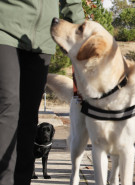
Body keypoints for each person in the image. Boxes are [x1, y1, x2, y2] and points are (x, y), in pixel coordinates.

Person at [0, 1, 85, 185]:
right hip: (4, 28)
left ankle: (21, 180)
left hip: (42, 40)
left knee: (28, 116)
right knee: (8, 107)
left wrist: (79, 32)